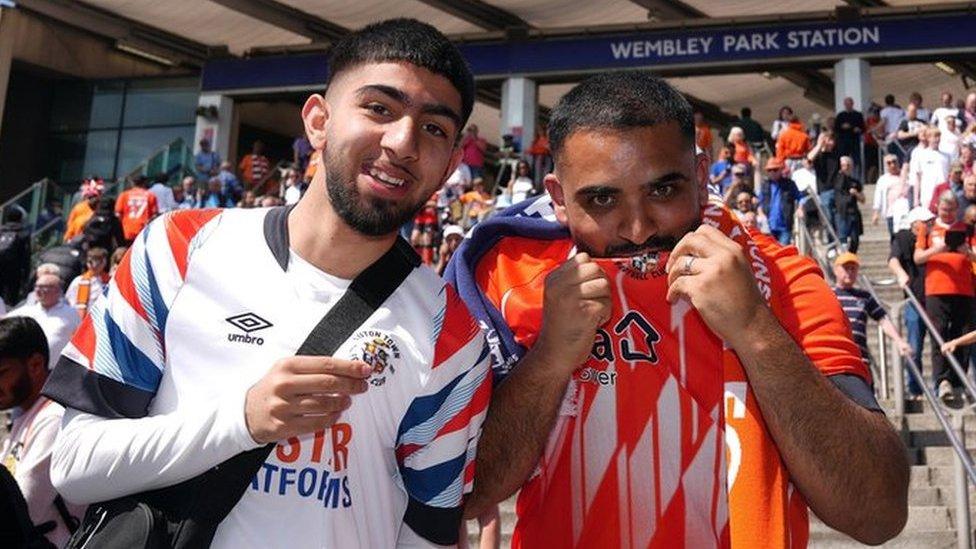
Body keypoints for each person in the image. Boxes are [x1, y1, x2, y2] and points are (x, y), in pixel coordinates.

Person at [42, 18, 490, 548]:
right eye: (379, 109)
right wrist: (243, 420)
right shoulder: (178, 248)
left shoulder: (454, 336)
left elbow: (428, 534)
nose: (403, 142)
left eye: (434, 128)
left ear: (452, 166)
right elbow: (74, 465)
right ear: (318, 121)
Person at [448, 72, 908, 547]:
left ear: (702, 174)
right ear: (559, 197)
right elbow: (462, 497)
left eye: (663, 190)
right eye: (602, 199)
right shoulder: (506, 273)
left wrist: (753, 329)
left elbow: (877, 513)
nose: (639, 228)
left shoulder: (784, 279)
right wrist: (546, 362)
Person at [0, 317, 83, 547]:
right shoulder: (26, 414)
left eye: (2, 373)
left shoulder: (54, 419)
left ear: (35, 365)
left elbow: (19, 510)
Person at [913, 192, 976, 402]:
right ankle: (942, 381)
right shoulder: (928, 228)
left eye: (951, 210)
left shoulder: (966, 228)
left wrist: (967, 252)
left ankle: (959, 379)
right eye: (943, 210)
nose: (947, 214)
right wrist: (936, 249)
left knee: (962, 333)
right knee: (939, 334)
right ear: (937, 207)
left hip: (964, 289)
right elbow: (918, 257)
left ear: (957, 209)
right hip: (936, 289)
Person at [832, 253, 912, 371]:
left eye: (853, 268)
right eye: (846, 268)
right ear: (835, 270)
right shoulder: (829, 294)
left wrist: (899, 341)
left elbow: (883, 319)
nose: (849, 272)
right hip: (837, 358)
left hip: (860, 360)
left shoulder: (865, 296)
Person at [888, 207, 935, 398]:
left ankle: (943, 386)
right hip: (914, 298)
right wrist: (901, 273)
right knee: (914, 345)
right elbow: (892, 260)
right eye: (925, 222)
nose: (929, 225)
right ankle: (915, 388)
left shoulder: (935, 237)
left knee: (941, 344)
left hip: (935, 299)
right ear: (915, 223)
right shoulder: (903, 237)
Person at [7, 274, 79, 371]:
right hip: (31, 371)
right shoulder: (26, 311)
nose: (38, 290)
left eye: (43, 287)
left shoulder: (71, 313)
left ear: (57, 290)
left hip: (58, 371)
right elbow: (5, 323)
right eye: (37, 286)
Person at [757, 157, 800, 245]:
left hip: (784, 225)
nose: (772, 172)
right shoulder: (764, 185)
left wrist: (800, 209)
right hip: (768, 226)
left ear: (781, 170)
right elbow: (759, 202)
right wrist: (761, 214)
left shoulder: (790, 184)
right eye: (769, 170)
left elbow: (800, 198)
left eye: (775, 169)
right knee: (770, 252)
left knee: (783, 251)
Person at [808, 130, 841, 237]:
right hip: (825, 190)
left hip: (838, 190)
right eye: (828, 140)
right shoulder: (819, 155)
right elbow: (809, 158)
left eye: (832, 140)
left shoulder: (836, 153)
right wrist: (819, 144)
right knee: (828, 218)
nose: (830, 143)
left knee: (838, 218)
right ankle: (831, 242)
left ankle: (840, 240)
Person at [64, 247, 110, 317]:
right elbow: (69, 302)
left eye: (98, 262)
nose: (94, 266)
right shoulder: (79, 281)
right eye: (91, 262)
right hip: (83, 319)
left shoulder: (110, 282)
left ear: (104, 262)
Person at [0, 207, 31, 307]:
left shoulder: (1, 230)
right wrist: (26, 274)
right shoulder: (23, 233)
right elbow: (26, 255)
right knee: (12, 295)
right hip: (14, 268)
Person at [115, 175, 159, 244]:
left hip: (126, 229)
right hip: (143, 229)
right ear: (144, 183)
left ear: (132, 183)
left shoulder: (124, 195)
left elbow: (118, 213)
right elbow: (154, 215)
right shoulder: (150, 195)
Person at [834, 156, 865, 253]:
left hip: (853, 213)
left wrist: (856, 193)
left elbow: (863, 199)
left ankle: (851, 259)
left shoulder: (855, 182)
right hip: (841, 212)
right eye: (843, 165)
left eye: (848, 165)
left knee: (855, 240)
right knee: (842, 240)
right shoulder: (837, 178)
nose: (846, 167)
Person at [873, 154, 906, 237]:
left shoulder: (905, 176)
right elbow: (878, 197)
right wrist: (876, 213)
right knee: (894, 237)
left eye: (894, 162)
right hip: (891, 213)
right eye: (889, 163)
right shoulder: (883, 180)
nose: (892, 165)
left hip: (905, 212)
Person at [63, 178, 103, 243]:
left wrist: (68, 238)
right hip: (87, 239)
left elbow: (70, 223)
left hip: (77, 237)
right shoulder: (97, 211)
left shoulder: (78, 208)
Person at [834, 97, 865, 169]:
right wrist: (842, 127)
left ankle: (857, 176)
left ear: (852, 104)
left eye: (849, 104)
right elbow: (836, 128)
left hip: (855, 140)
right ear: (844, 105)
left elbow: (863, 128)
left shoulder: (858, 115)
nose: (848, 105)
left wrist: (859, 129)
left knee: (856, 160)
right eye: (846, 104)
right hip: (843, 141)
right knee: (843, 159)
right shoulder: (840, 115)